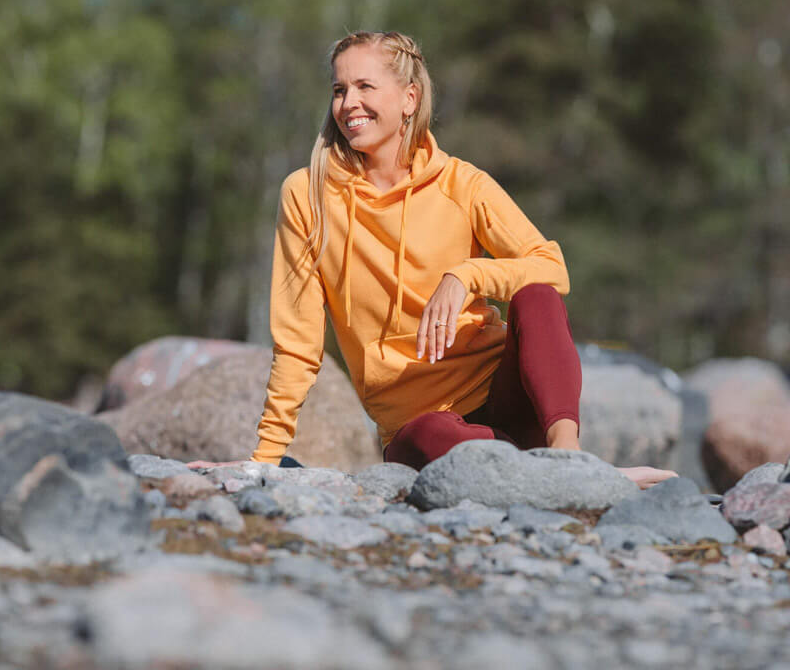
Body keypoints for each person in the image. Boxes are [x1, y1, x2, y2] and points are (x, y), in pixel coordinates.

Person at [205, 31, 674, 488]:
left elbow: (552, 268)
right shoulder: (306, 196)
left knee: (536, 296)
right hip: (422, 426)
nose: (349, 103)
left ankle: (568, 463)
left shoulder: (461, 184)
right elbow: (298, 342)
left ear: (409, 98)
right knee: (430, 436)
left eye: (365, 87)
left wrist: (469, 275)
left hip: (506, 397)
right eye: (339, 89)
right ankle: (557, 477)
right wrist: (264, 460)